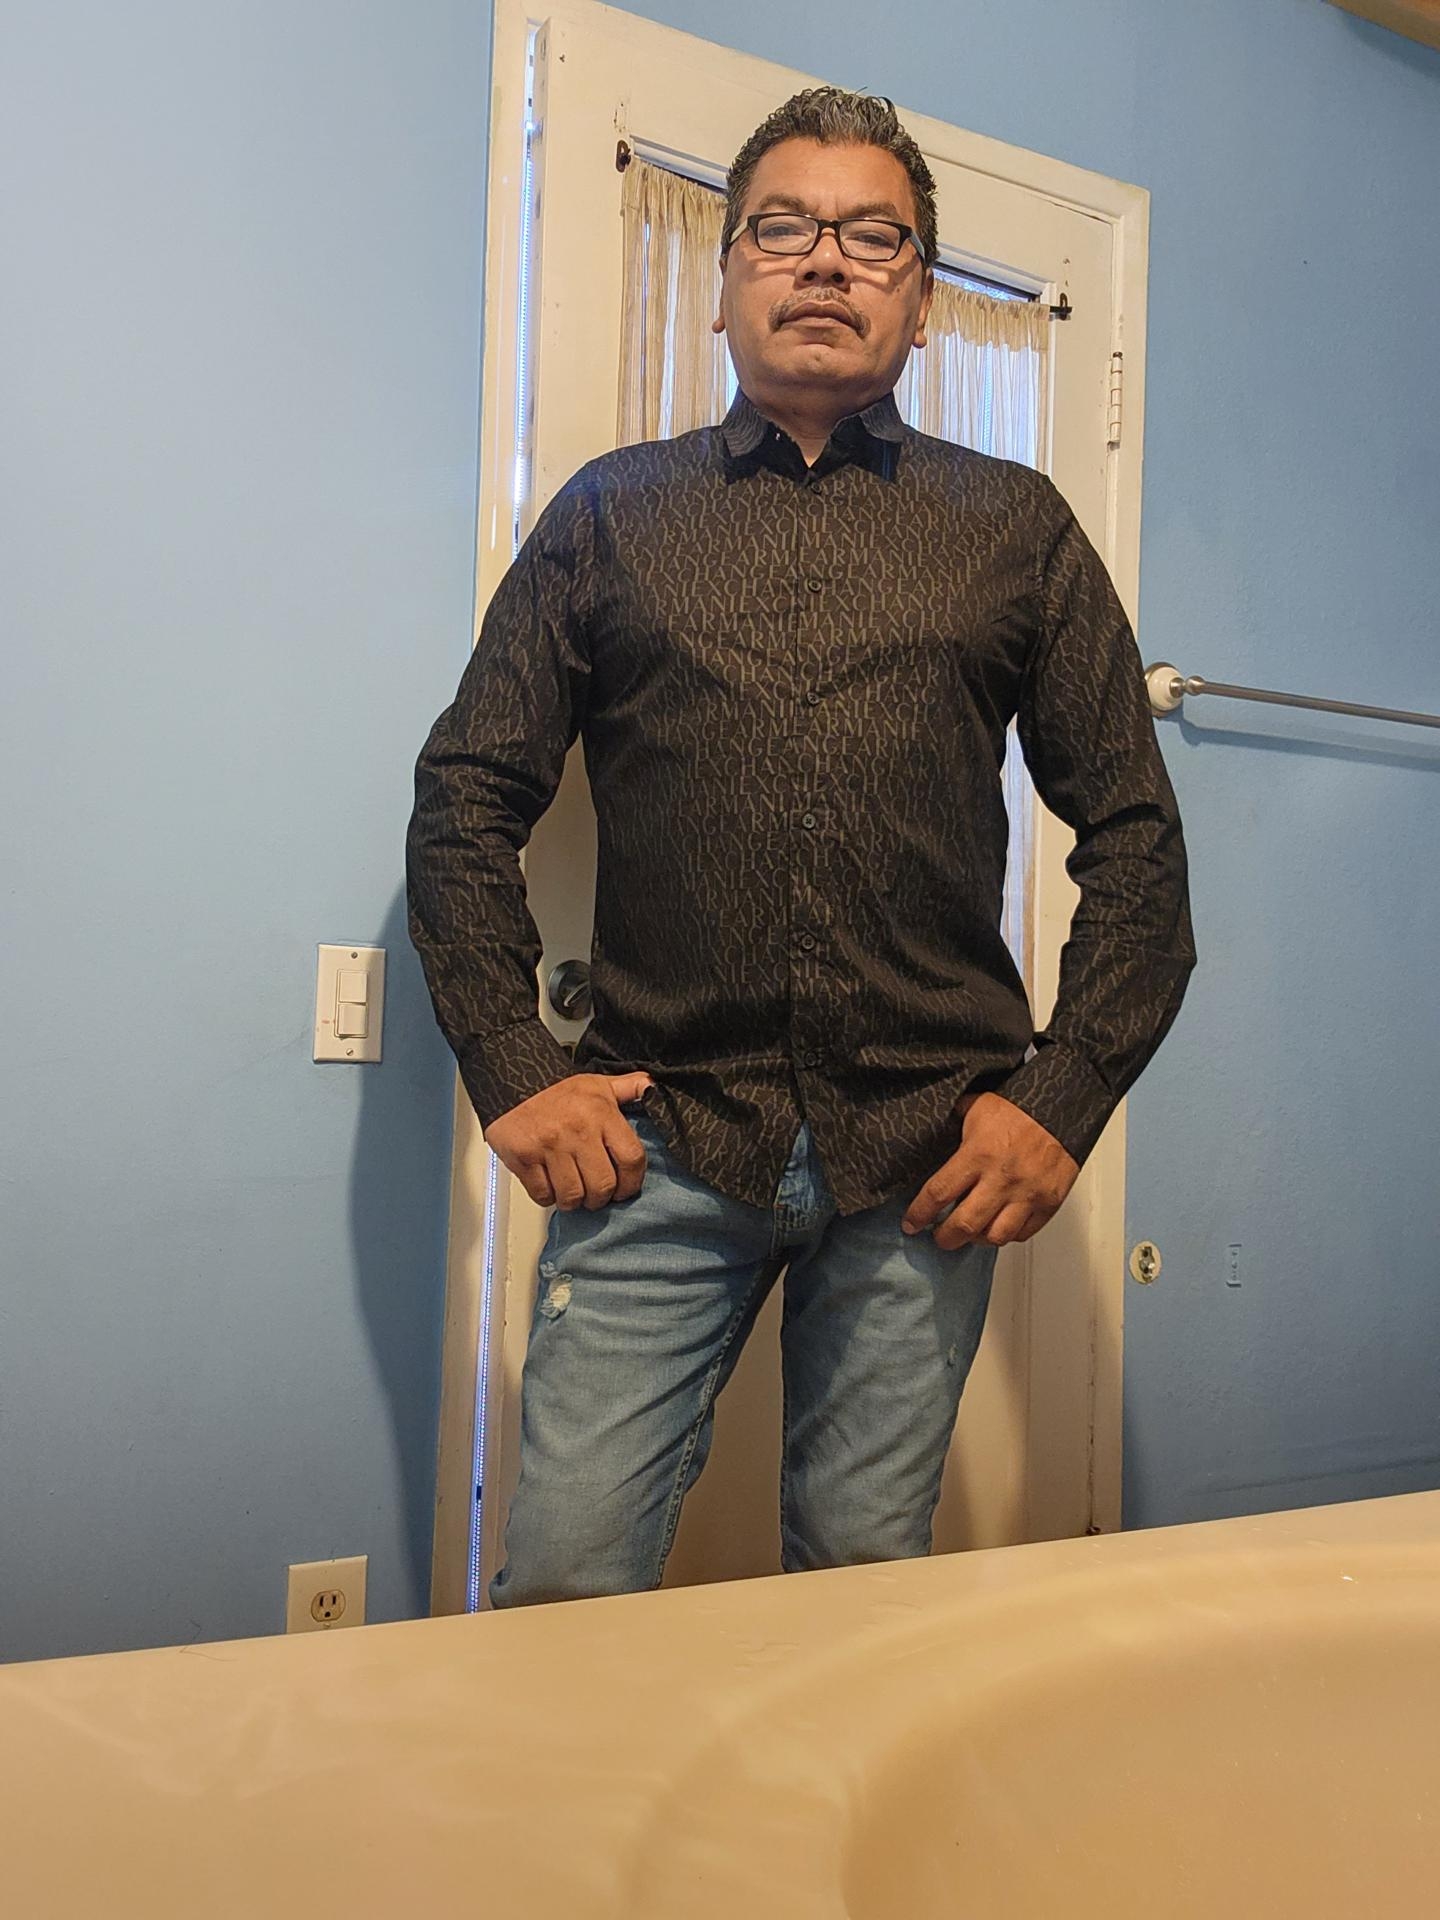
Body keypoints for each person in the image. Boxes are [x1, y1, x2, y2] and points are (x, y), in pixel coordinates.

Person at [406, 87, 1196, 1609]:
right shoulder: (610, 515)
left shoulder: (1017, 528)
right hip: (656, 1144)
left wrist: (1061, 1099)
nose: (826, 260)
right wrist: (511, 1063)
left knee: (857, 1593)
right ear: (722, 285)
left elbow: (1138, 841)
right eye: (783, 228)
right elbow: (465, 798)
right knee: (563, 1583)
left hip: (926, 1157)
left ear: (920, 298)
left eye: (873, 238)